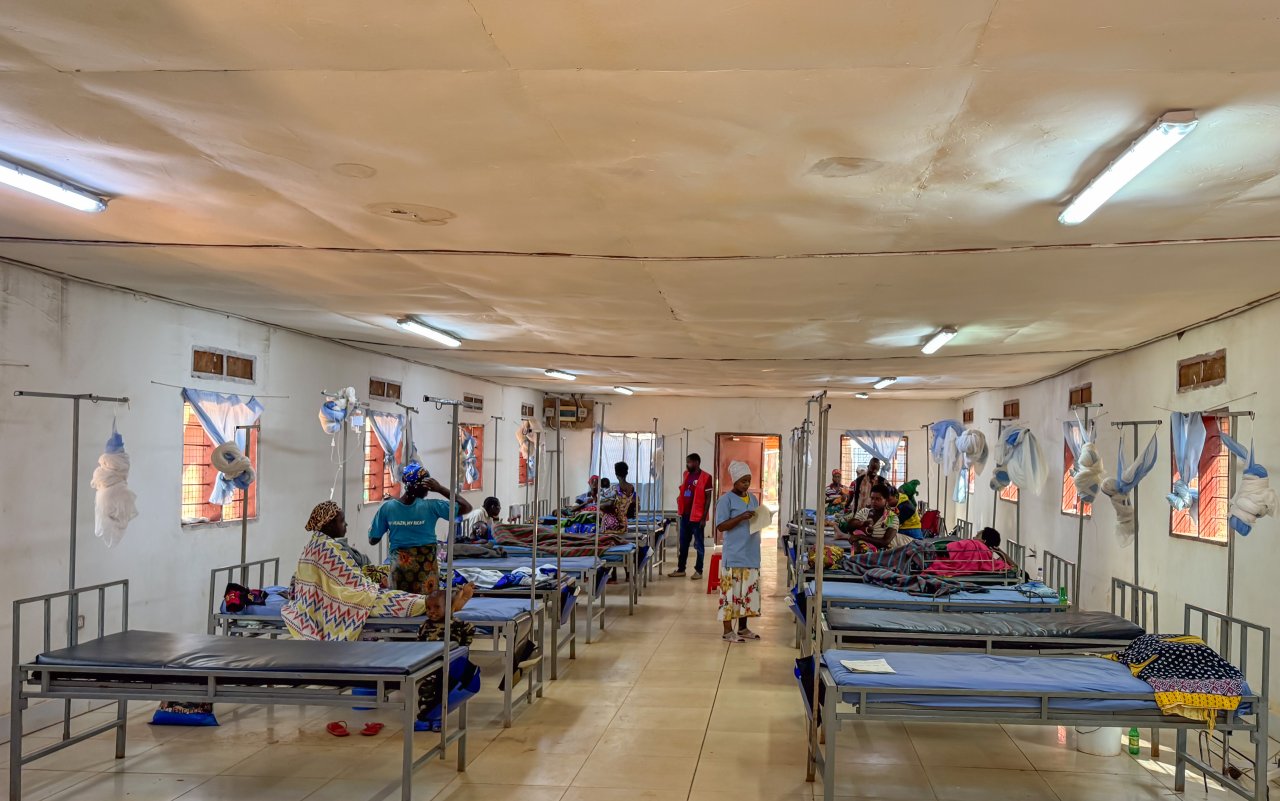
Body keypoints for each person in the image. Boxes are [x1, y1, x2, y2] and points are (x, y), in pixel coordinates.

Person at [369, 463, 472, 594]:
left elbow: (373, 539)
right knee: (427, 608)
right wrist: (440, 489)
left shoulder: (387, 508)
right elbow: (466, 507)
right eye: (428, 487)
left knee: (403, 605)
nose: (428, 491)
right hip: (426, 572)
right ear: (423, 487)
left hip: (400, 573)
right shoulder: (432, 506)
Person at [715, 461, 763, 643]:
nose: (746, 484)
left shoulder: (752, 499)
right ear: (734, 480)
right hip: (734, 554)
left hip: (751, 552)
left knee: (747, 593)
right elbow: (720, 526)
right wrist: (741, 517)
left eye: (748, 480)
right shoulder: (725, 500)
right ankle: (728, 631)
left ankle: (743, 628)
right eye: (743, 481)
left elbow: (756, 517)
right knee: (730, 594)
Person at [671, 453, 713, 580]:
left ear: (696, 462)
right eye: (687, 462)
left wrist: (703, 518)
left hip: (697, 517)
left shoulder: (706, 477)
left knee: (699, 544)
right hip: (685, 515)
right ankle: (681, 569)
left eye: (689, 462)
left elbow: (708, 499)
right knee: (683, 543)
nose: (687, 464)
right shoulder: (686, 474)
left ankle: (698, 571)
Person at [844, 484, 913, 550]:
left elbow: (885, 542)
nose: (874, 501)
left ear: (886, 500)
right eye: (872, 498)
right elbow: (849, 526)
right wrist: (863, 523)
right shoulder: (864, 512)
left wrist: (861, 537)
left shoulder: (890, 517)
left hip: (900, 549)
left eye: (878, 499)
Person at [599, 461, 636, 534]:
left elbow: (610, 505)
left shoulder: (615, 488)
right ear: (627, 473)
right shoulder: (631, 488)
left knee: (608, 544)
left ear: (616, 474)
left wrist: (600, 505)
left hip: (611, 522)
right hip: (623, 522)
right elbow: (634, 503)